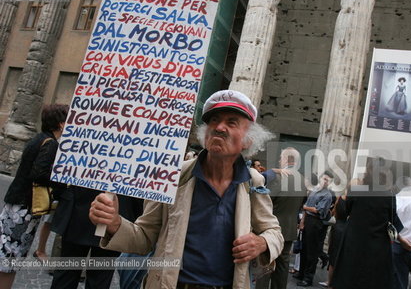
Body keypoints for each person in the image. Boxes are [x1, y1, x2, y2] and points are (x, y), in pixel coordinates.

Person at [89, 90, 284, 289]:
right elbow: (144, 238)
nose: (219, 127)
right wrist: (114, 223)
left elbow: (274, 232)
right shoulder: (173, 176)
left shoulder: (253, 182)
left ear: (248, 140)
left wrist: (262, 243)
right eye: (213, 120)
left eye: (231, 122)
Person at [0, 104, 68, 289]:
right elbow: (39, 173)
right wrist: (61, 182)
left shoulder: (39, 138)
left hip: (16, 203)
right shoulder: (51, 144)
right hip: (25, 207)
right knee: (11, 257)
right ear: (61, 124)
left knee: (7, 254)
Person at [331, 157, 401, 289]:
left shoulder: (357, 190)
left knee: (349, 279)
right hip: (377, 246)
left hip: (354, 243)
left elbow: (346, 211)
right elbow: (393, 219)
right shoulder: (389, 195)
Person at [256, 147, 307, 289]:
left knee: (265, 265)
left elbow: (265, 203)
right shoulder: (303, 180)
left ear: (286, 159)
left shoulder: (278, 177)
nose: (279, 161)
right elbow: (301, 205)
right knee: (283, 268)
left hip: (271, 229)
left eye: (281, 158)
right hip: (289, 231)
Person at [295, 171, 333, 287]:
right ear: (320, 178)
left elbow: (319, 210)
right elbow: (307, 208)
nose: (325, 181)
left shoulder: (327, 195)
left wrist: (306, 207)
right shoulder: (315, 191)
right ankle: (301, 273)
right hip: (307, 221)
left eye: (328, 180)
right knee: (304, 249)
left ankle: (308, 278)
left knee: (312, 252)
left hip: (317, 223)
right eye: (324, 178)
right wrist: (302, 222)